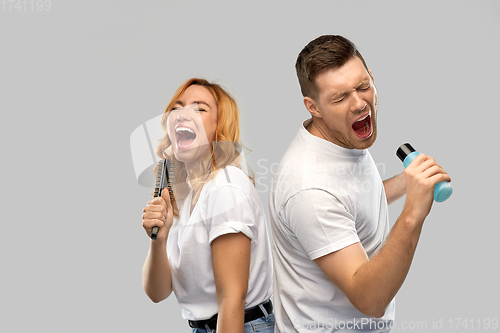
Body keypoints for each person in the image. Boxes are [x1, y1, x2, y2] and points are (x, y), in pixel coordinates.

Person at [269, 35, 451, 332]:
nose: (358, 103)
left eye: (363, 86)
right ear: (313, 107)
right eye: (340, 98)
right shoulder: (309, 189)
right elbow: (370, 300)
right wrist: (413, 213)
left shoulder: (339, 138)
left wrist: (407, 182)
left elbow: (351, 199)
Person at [142, 78, 275, 333]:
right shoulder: (183, 194)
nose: (183, 114)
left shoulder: (225, 187)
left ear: (219, 127)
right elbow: (157, 293)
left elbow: (231, 300)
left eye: (200, 108)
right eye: (177, 108)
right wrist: (158, 240)